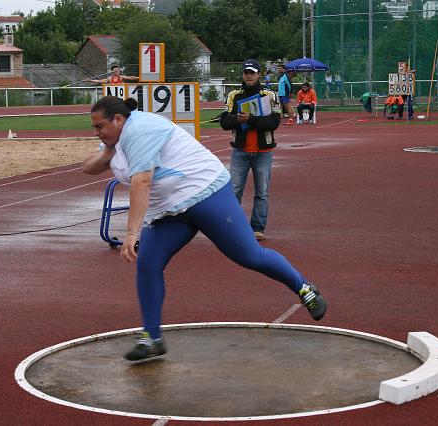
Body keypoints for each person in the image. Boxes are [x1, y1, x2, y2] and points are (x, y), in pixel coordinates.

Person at [82, 96, 327, 361]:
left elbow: (142, 181)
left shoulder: (140, 130)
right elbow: (89, 167)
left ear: (118, 120)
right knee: (148, 265)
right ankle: (151, 337)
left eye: (99, 126)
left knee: (249, 255)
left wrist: (131, 233)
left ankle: (304, 289)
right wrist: (107, 151)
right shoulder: (114, 139)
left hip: (205, 194)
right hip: (168, 211)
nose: (96, 132)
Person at [220, 59, 279, 241]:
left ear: (259, 74)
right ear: (243, 75)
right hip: (240, 151)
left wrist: (250, 119)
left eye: (252, 72)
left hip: (263, 153)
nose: (249, 75)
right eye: (246, 72)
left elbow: (274, 122)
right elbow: (224, 122)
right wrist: (238, 119)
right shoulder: (234, 96)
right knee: (235, 190)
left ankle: (257, 228)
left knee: (262, 191)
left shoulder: (269, 95)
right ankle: (234, 227)